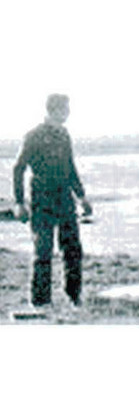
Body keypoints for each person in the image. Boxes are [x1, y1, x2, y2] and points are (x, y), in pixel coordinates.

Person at [13, 94, 92, 308]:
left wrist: (82, 196)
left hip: (64, 199)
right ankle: (40, 302)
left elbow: (70, 168)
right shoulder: (34, 135)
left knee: (73, 250)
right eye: (65, 108)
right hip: (42, 200)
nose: (68, 112)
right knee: (43, 251)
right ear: (54, 109)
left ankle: (74, 296)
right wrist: (19, 202)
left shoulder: (64, 135)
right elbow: (18, 168)